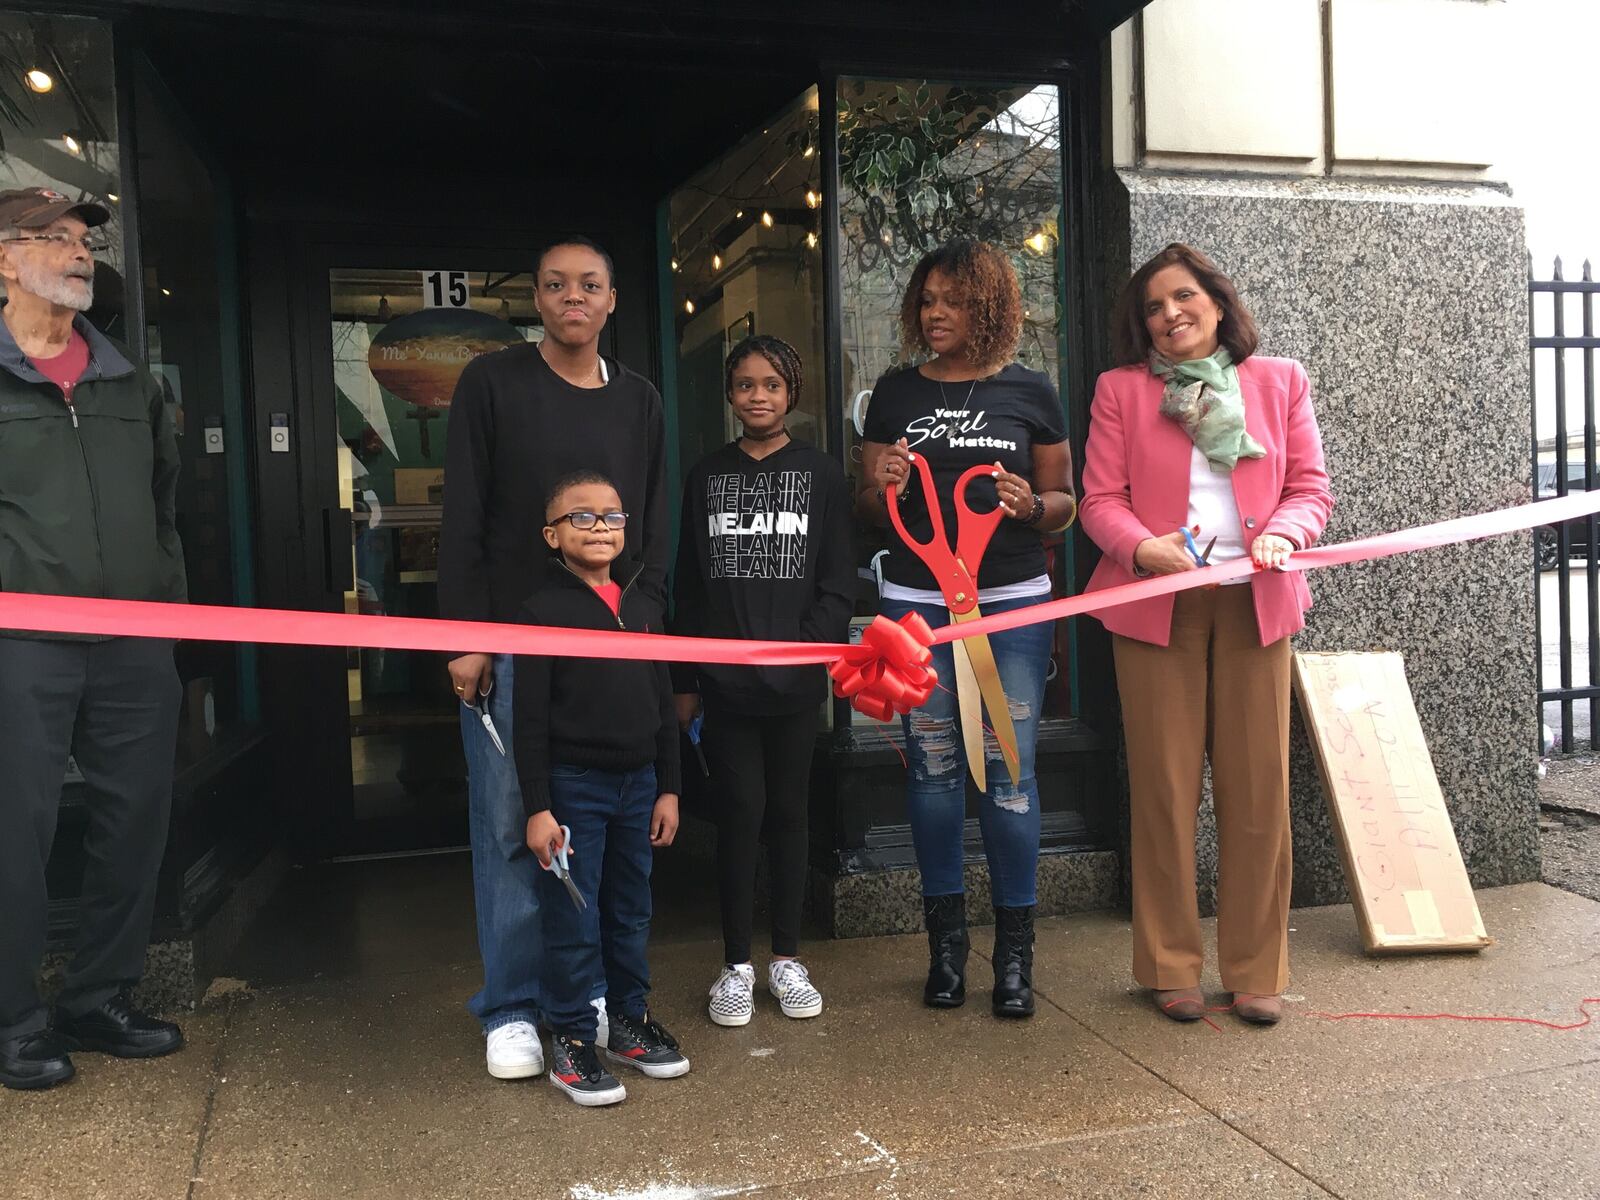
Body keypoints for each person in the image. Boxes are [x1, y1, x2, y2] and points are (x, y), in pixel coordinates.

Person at [1079, 243, 1333, 1027]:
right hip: (1159, 608)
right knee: (1164, 789)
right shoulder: (1120, 392)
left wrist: (1286, 533)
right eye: (1153, 307)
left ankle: (1257, 969)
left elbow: (1308, 488)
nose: (1169, 315)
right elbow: (1099, 500)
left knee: (1259, 790)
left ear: (1218, 305)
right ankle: (1170, 965)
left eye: (1183, 297)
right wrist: (1139, 548)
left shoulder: (1278, 381)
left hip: (1255, 602)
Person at [438, 236, 669, 1080]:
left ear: (612, 303)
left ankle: (587, 1000)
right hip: (510, 648)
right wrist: (465, 635)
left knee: (594, 837)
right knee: (510, 824)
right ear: (536, 299)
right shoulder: (491, 383)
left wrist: (646, 627)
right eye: (556, 285)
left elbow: (651, 521)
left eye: (592, 285)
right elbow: (462, 515)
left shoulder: (639, 399)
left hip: (611, 649)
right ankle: (510, 1007)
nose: (575, 297)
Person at [857, 239, 1076, 1019]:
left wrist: (1030, 504)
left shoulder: (1032, 391)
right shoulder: (895, 391)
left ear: (990, 307)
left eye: (952, 299)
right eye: (927, 300)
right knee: (935, 768)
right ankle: (946, 951)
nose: (935, 313)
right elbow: (868, 501)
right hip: (915, 604)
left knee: (1010, 776)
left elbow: (1065, 503)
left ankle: (1013, 958)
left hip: (1013, 601)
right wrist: (877, 480)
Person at [0, 188, 187, 1090]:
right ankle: (14, 1020)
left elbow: (164, 507)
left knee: (134, 823)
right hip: (20, 642)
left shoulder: (130, 381)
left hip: (132, 644)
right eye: (54, 238)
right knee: (14, 832)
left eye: (83, 241)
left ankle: (99, 996)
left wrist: (168, 616)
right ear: (4, 257)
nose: (78, 254)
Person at [671, 335, 854, 1027]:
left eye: (771, 385)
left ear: (792, 392)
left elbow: (837, 585)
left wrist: (805, 653)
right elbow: (689, 587)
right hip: (724, 686)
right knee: (739, 814)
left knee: (789, 813)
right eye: (745, 384)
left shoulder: (823, 475)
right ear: (730, 394)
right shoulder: (705, 476)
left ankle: (786, 958)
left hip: (796, 684)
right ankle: (735, 966)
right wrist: (685, 674)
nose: (757, 396)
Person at [514, 471, 685, 1107]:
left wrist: (668, 787)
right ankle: (573, 1038)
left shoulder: (643, 604)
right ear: (550, 534)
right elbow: (528, 721)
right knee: (574, 916)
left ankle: (630, 1023)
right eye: (580, 517)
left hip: (639, 786)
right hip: (573, 788)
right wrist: (539, 807)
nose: (599, 527)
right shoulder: (540, 612)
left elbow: (664, 702)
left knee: (630, 910)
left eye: (611, 516)